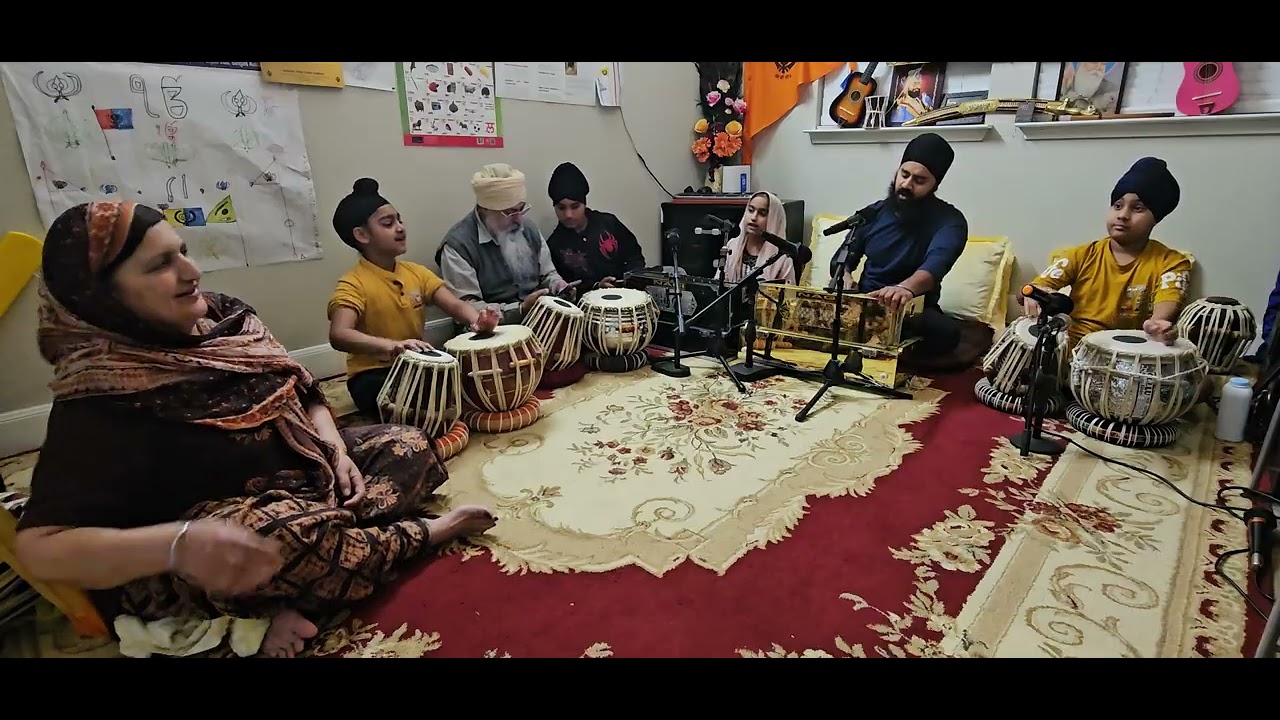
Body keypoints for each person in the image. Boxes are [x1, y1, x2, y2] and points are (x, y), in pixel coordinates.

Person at [13, 201, 498, 658]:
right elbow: (41, 547)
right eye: (160, 265)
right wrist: (181, 543)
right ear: (102, 297)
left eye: (182, 251)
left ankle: (317, 563)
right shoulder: (98, 396)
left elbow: (302, 388)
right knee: (272, 537)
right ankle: (414, 536)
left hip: (303, 476)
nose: (191, 272)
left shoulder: (224, 316)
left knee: (406, 442)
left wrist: (333, 446)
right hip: (209, 542)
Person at [327, 178, 499, 416]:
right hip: (374, 374)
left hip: (416, 365)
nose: (400, 227)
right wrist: (392, 346)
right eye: (388, 223)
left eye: (399, 220)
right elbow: (339, 334)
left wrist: (476, 320)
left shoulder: (415, 273)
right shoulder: (353, 283)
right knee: (415, 396)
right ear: (362, 235)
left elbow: (454, 303)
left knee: (466, 376)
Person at [1024, 156, 1192, 351]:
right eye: (1117, 205)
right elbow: (1039, 287)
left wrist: (1157, 324)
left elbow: (1168, 300)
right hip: (1070, 350)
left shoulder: (1172, 262)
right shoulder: (1081, 254)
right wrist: (1034, 294)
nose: (1122, 215)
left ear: (1156, 218)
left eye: (1138, 208)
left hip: (1125, 357)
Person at [831, 132, 967, 356]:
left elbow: (936, 265)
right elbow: (843, 259)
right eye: (904, 174)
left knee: (945, 333)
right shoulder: (873, 213)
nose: (906, 184)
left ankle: (875, 347)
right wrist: (845, 278)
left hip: (912, 309)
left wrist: (904, 289)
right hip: (864, 303)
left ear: (935, 184)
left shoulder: (951, 222)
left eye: (919, 180)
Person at [437, 163, 573, 326]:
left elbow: (547, 273)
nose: (518, 219)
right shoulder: (458, 246)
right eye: (509, 212)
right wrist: (520, 309)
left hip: (536, 320)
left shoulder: (528, 228)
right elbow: (467, 307)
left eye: (521, 209)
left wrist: (558, 285)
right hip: (490, 332)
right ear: (485, 209)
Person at [545, 162, 646, 290]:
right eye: (561, 208)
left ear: (584, 204)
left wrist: (628, 281)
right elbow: (566, 288)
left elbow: (635, 257)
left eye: (575, 206)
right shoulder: (555, 245)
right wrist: (597, 287)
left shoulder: (609, 224)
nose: (568, 214)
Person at [719, 191, 797, 285]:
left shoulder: (782, 257)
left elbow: (789, 296)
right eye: (751, 210)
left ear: (774, 219)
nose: (754, 217)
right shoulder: (732, 246)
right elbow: (717, 285)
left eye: (762, 213)